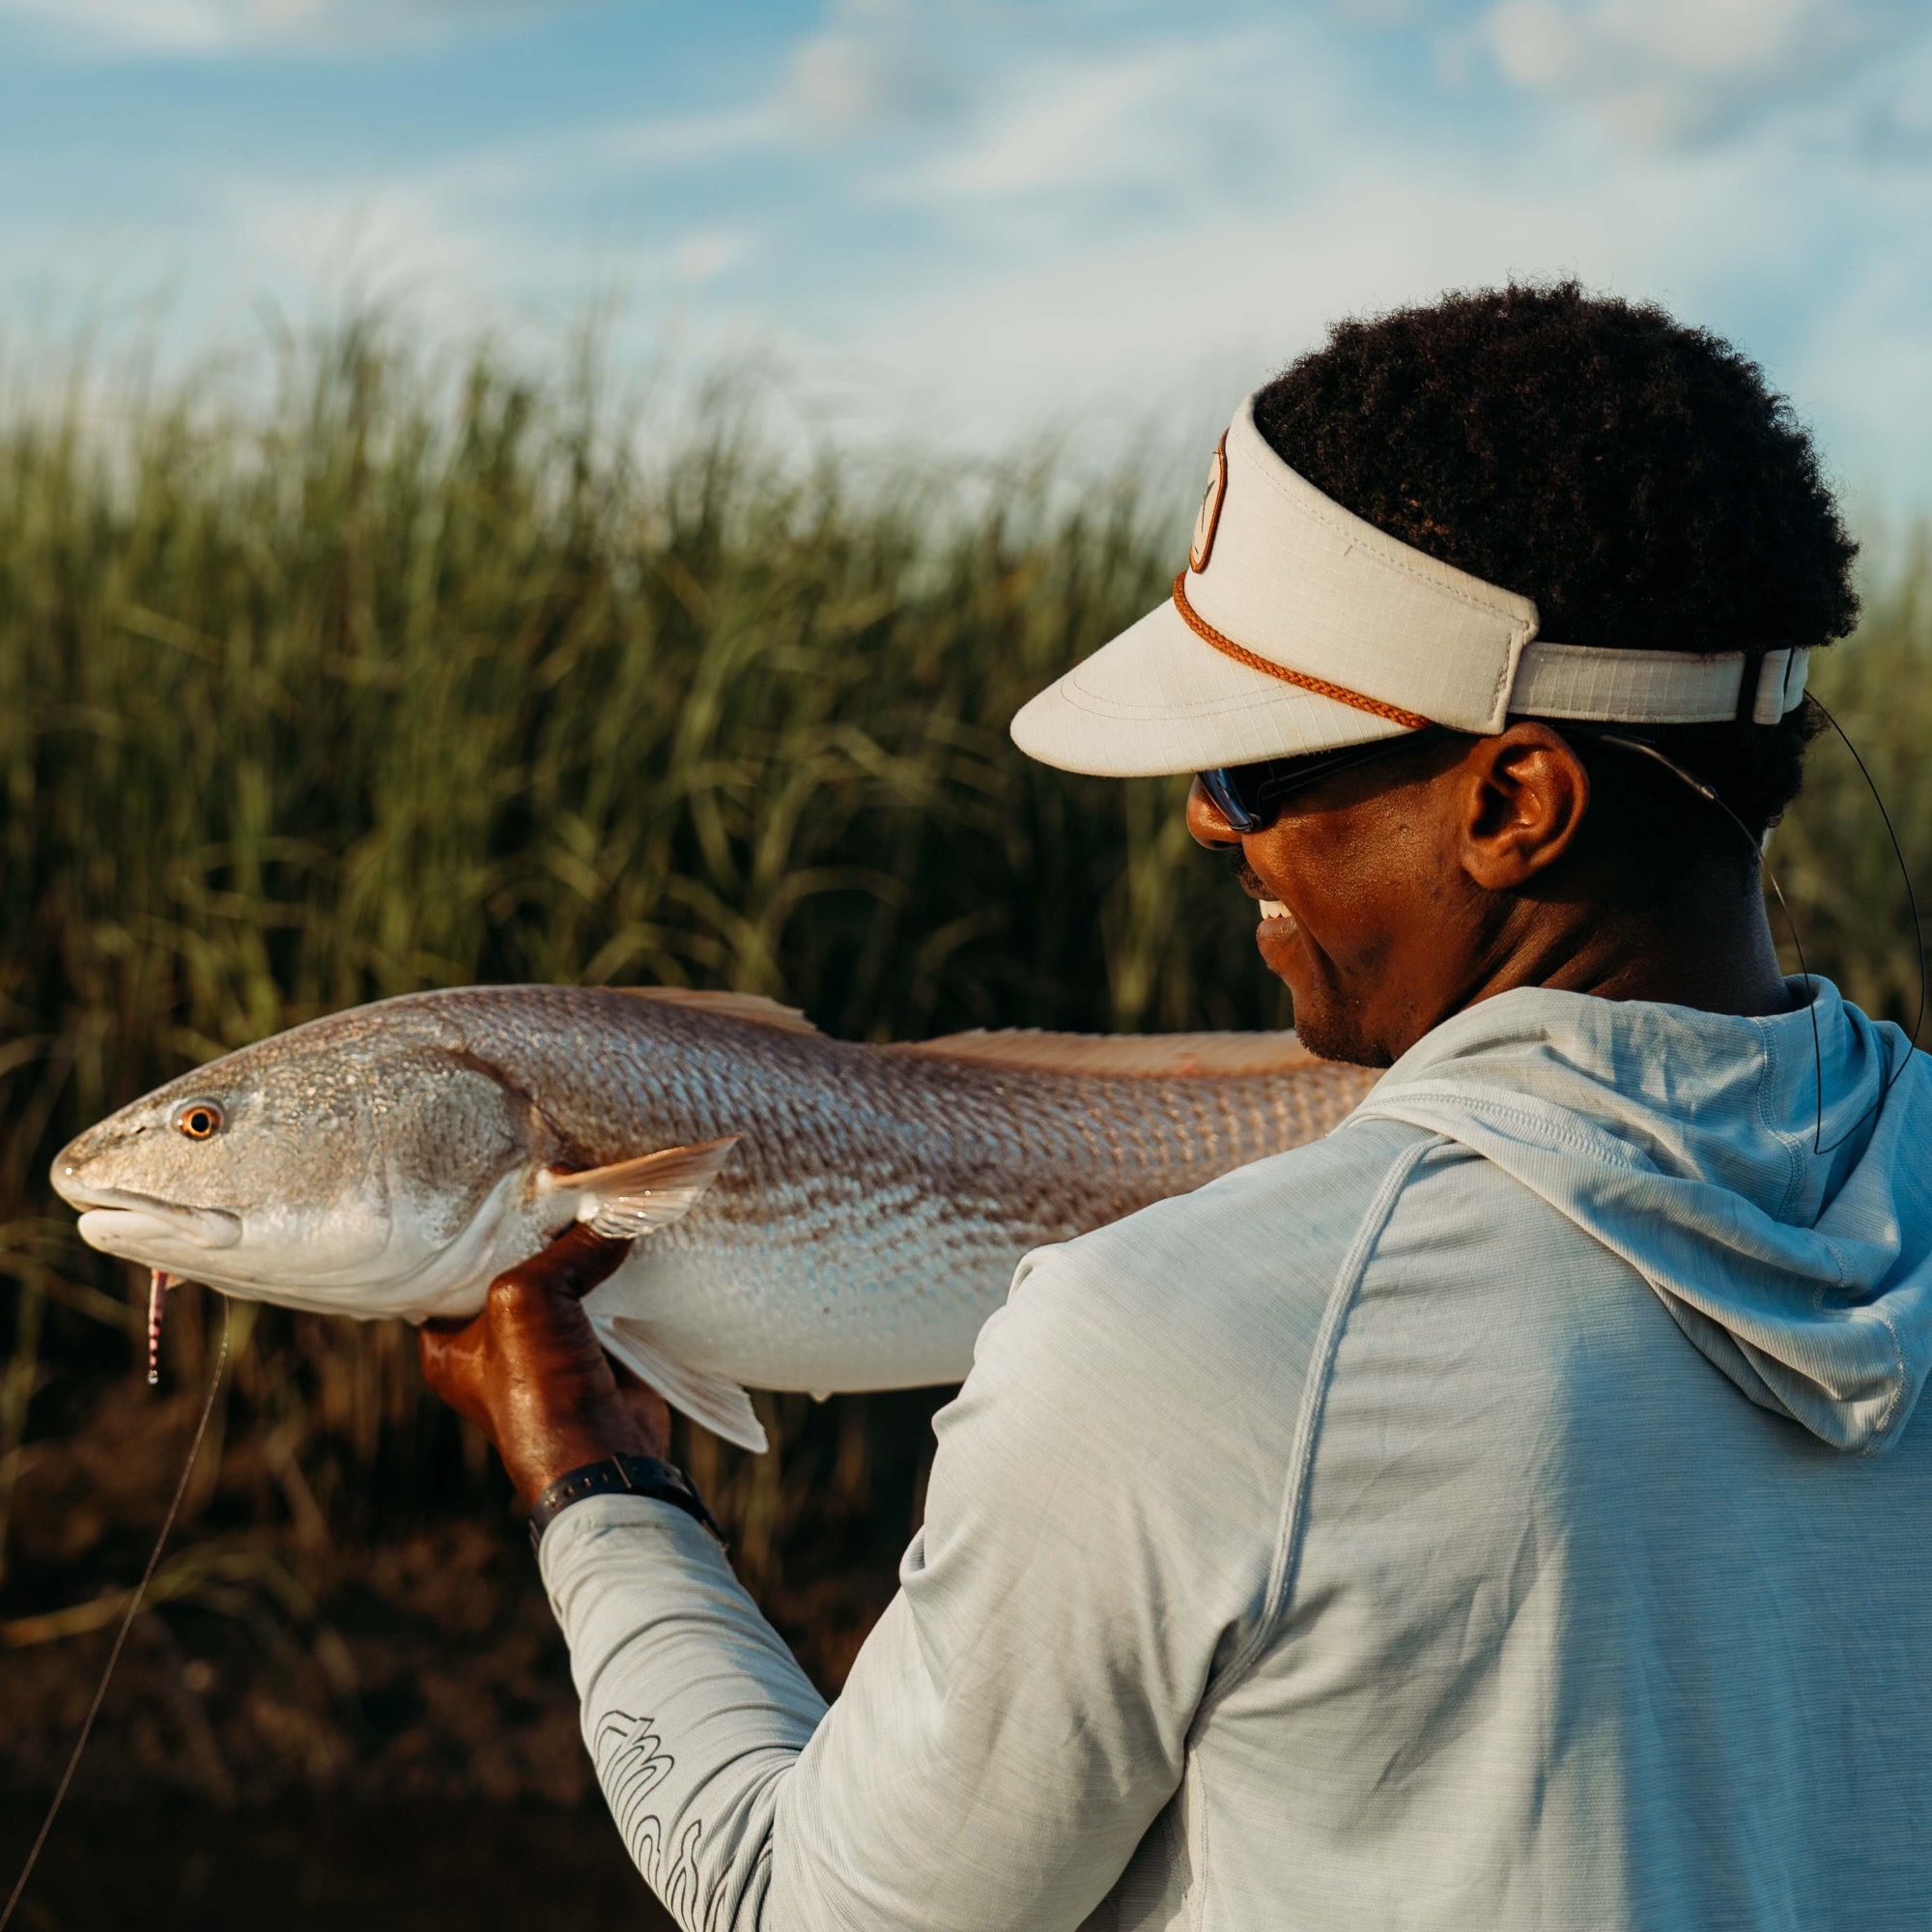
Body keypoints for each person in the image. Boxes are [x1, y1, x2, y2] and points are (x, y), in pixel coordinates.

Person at [420, 284, 1932, 1930]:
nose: (1209, 830)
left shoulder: (1189, 1344)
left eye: (1255, 771)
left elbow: (797, 1909)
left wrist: (594, 1485)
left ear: (1514, 804)